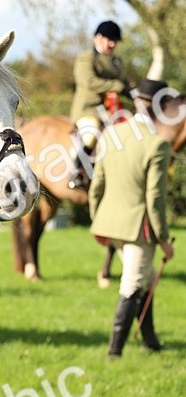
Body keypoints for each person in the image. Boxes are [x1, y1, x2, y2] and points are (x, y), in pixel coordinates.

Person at [89, 76, 177, 357]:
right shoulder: (158, 145)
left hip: (110, 225)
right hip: (138, 229)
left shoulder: (111, 134)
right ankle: (114, 353)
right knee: (132, 284)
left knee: (146, 278)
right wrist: (164, 240)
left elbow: (96, 186)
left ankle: (150, 340)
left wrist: (97, 219)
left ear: (137, 103)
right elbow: (155, 199)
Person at [68, 19, 132, 189]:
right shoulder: (85, 58)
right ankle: (77, 172)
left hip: (113, 111)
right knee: (91, 135)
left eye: (115, 41)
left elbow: (126, 83)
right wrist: (117, 87)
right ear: (97, 38)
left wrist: (137, 94)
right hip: (89, 110)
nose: (112, 44)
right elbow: (89, 81)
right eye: (108, 39)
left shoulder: (117, 62)